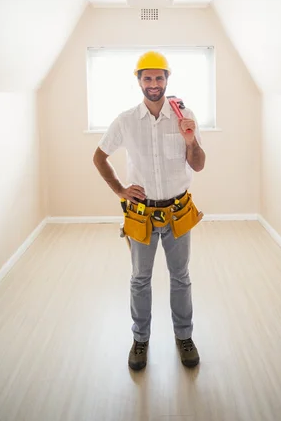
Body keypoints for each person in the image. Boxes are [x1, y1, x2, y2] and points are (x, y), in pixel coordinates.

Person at [93, 50, 206, 371]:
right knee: (140, 279)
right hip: (141, 214)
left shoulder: (185, 117)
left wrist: (190, 141)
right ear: (138, 81)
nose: (154, 84)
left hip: (178, 213)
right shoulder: (125, 121)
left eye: (159, 77)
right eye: (148, 78)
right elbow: (99, 157)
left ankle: (184, 337)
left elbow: (198, 164)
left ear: (167, 79)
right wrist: (119, 189)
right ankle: (140, 340)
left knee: (181, 277)